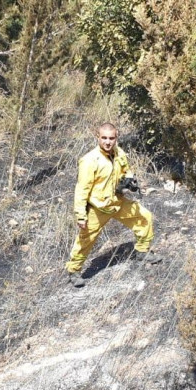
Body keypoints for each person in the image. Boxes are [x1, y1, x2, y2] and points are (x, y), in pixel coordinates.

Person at [65, 123, 161, 287]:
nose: (108, 142)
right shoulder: (89, 160)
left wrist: (128, 181)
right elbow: (81, 190)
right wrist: (81, 215)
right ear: (98, 137)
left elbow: (126, 170)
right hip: (98, 208)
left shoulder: (119, 153)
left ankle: (142, 251)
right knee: (86, 240)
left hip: (117, 201)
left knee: (144, 217)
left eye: (111, 138)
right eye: (104, 138)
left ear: (116, 138)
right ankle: (74, 271)